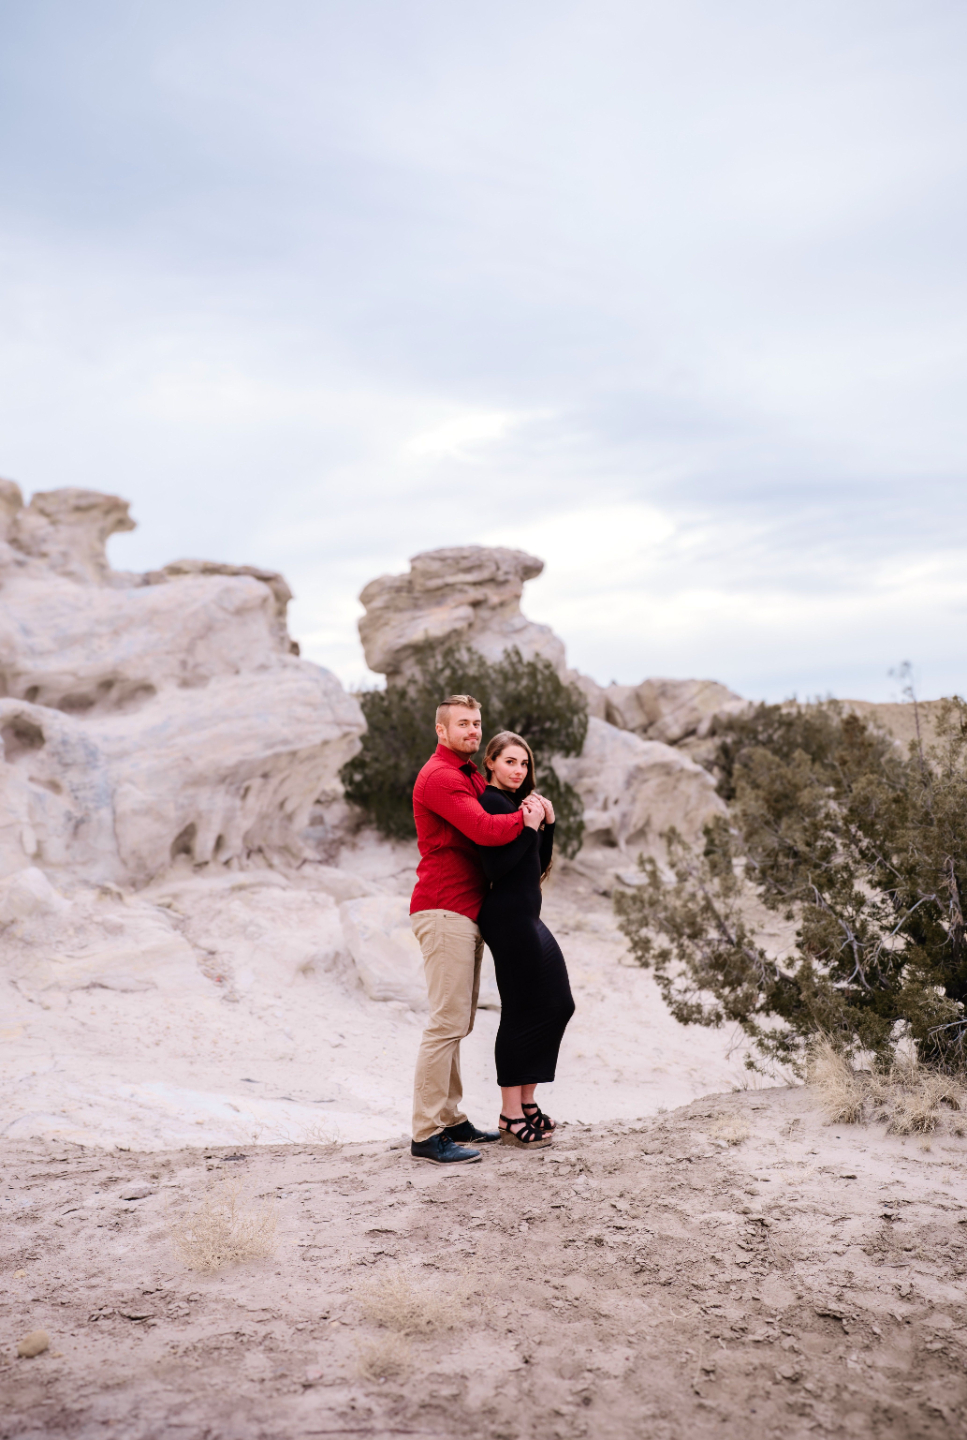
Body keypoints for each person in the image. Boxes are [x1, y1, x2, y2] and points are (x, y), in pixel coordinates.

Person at [409, 694, 546, 1165]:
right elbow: (487, 830)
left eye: (476, 723)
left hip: (465, 911)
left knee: (459, 1022)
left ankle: (450, 1119)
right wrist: (525, 819)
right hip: (443, 907)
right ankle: (426, 1134)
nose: (472, 730)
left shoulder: (467, 774)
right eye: (463, 723)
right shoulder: (441, 776)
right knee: (445, 1023)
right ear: (441, 730)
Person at [476, 731, 575, 1148]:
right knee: (519, 1010)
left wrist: (546, 825)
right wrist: (528, 827)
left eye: (524, 763)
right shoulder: (490, 802)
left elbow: (535, 864)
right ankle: (510, 1114)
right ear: (491, 763)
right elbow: (496, 867)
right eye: (510, 762)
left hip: (526, 916)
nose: (519, 770)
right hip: (506, 918)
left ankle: (527, 1100)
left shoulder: (516, 805)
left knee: (557, 1004)